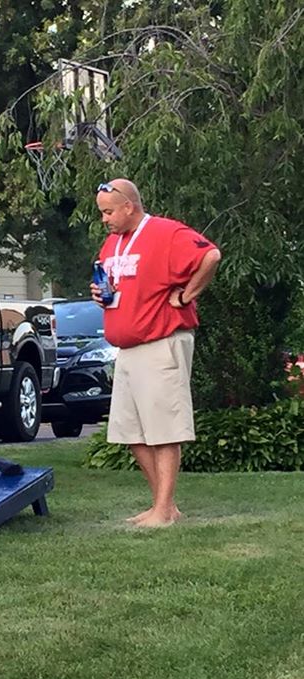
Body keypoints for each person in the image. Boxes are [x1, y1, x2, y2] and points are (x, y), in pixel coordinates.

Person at [91, 178, 221, 528]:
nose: (104, 219)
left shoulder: (166, 232)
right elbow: (118, 284)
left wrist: (186, 295)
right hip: (127, 348)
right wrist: (101, 294)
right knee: (131, 433)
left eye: (109, 212)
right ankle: (164, 506)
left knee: (164, 430)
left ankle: (163, 511)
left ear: (129, 206)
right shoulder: (113, 243)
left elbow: (210, 255)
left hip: (161, 342)